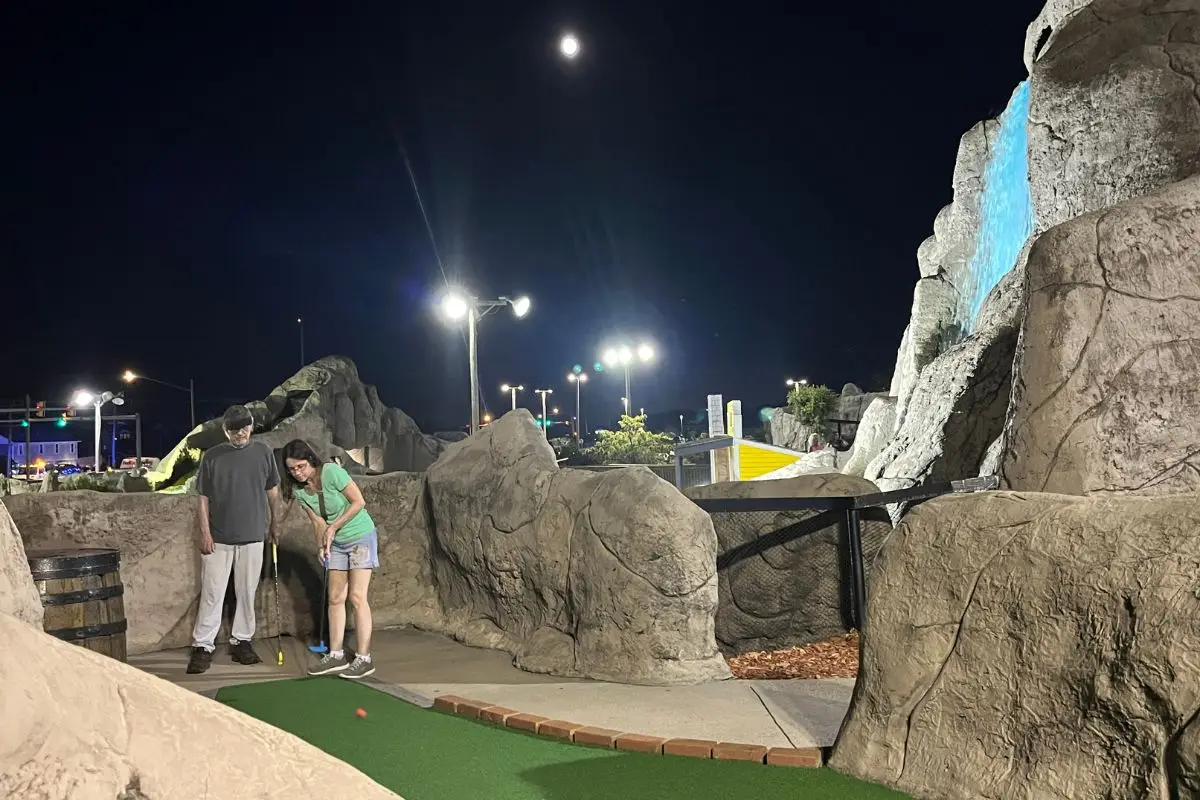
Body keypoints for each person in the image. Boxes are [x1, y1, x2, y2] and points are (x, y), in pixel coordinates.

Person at [187, 405, 282, 674]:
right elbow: (203, 497)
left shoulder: (263, 452)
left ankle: (242, 640)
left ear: (251, 426)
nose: (240, 433)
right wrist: (205, 533)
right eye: (234, 429)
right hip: (218, 537)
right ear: (225, 430)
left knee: (246, 591)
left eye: (244, 427)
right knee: (212, 593)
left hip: (253, 535)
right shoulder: (213, 456)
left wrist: (276, 522)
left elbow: (273, 490)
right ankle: (203, 645)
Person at [281, 438, 379, 679]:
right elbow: (317, 521)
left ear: (311, 461)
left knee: (357, 597)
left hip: (360, 536)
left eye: (301, 466)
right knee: (335, 597)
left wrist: (334, 528)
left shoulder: (332, 472)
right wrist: (321, 545)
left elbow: (359, 502)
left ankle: (364, 658)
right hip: (336, 542)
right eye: (292, 469)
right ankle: (335, 655)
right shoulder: (299, 491)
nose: (298, 473)